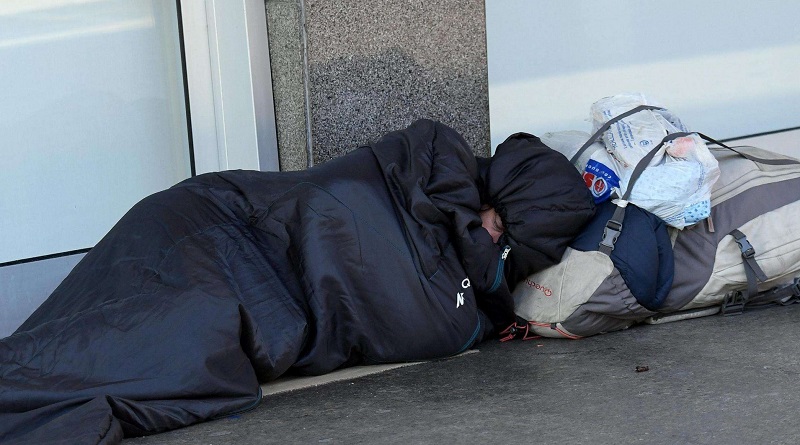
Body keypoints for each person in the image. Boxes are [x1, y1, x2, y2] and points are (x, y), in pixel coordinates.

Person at [0, 119, 594, 444]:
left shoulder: (457, 300)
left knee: (90, 358)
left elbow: (393, 308)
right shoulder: (426, 158)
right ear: (502, 200)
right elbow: (351, 223)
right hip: (205, 222)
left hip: (229, 291)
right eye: (504, 230)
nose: (500, 248)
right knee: (71, 343)